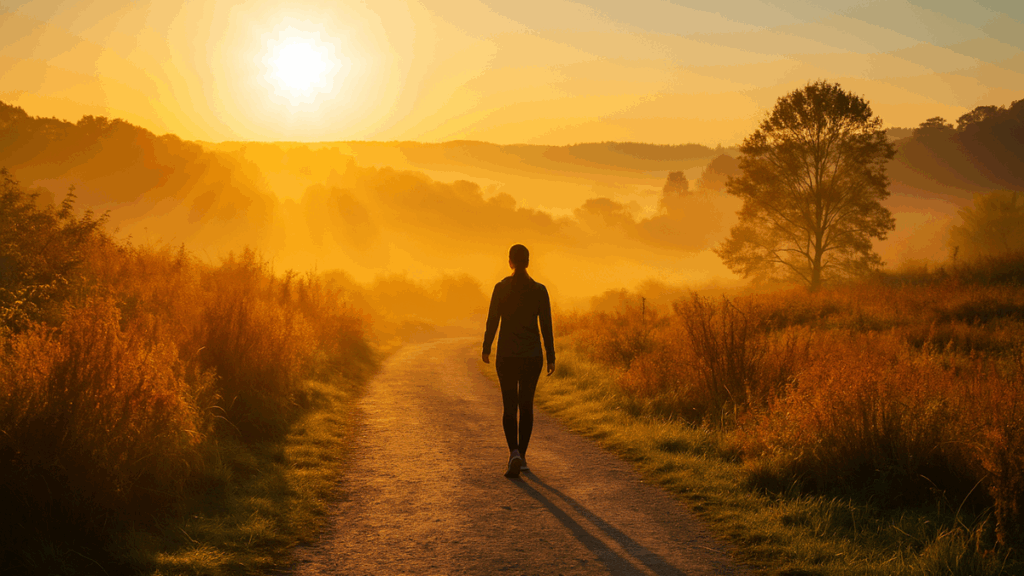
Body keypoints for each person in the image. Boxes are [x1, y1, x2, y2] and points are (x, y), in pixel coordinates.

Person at [482, 244, 555, 478]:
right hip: (532, 356)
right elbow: (546, 326)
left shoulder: (501, 288)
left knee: (509, 406)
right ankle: (522, 457)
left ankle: (512, 451)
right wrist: (551, 356)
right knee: (526, 406)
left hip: (506, 356)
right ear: (528, 261)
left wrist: (486, 347)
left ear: (510, 262)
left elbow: (492, 319)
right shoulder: (539, 290)